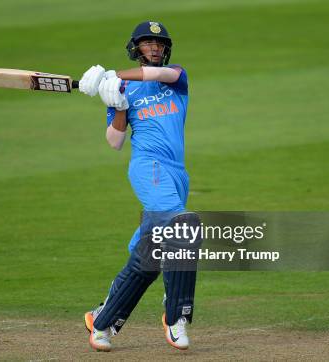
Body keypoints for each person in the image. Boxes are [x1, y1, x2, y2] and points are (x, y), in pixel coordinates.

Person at [78, 21, 197, 352]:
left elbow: (160, 76)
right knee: (184, 226)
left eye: (159, 43)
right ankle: (176, 319)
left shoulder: (177, 76)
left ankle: (102, 324)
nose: (155, 48)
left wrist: (110, 76)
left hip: (176, 173)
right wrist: (117, 106)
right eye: (147, 43)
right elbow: (115, 142)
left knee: (150, 252)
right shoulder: (121, 90)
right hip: (148, 167)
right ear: (136, 48)